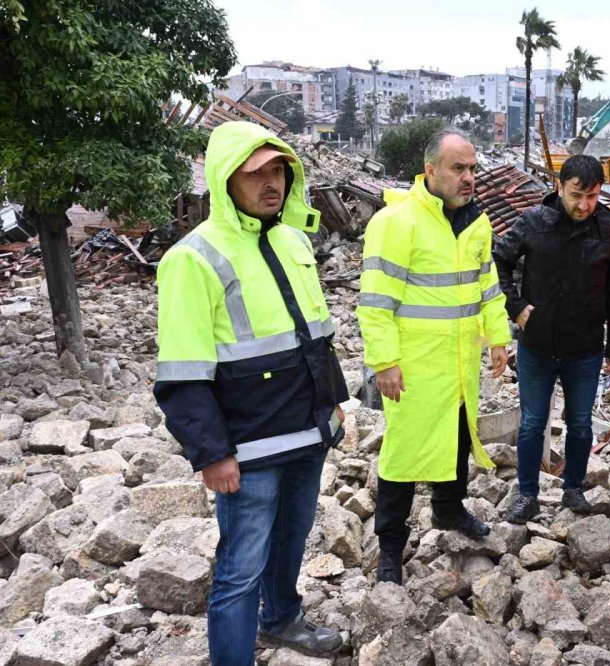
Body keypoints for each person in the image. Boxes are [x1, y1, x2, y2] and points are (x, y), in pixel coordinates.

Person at [154, 121, 350, 665]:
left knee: (293, 537)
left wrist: (332, 406)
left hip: (306, 431)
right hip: (249, 445)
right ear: (225, 180)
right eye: (255, 173)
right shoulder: (193, 258)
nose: (271, 183)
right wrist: (211, 453)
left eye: (279, 170)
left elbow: (317, 336)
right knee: (240, 569)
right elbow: (182, 371)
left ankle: (282, 619)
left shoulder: (293, 241)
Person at [357, 128, 511, 585]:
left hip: (460, 362)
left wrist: (497, 337)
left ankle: (448, 509)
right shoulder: (396, 222)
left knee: (458, 437)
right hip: (415, 367)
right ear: (430, 171)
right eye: (457, 168)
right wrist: (384, 362)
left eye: (472, 168)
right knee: (403, 455)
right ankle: (390, 547)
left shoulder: (476, 223)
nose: (469, 177)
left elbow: (487, 286)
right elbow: (376, 301)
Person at [493, 154, 610, 524]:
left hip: (585, 348)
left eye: (592, 196)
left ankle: (573, 489)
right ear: (559, 187)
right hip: (537, 346)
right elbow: (499, 261)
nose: (584, 205)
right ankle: (527, 494)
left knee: (581, 423)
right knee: (531, 423)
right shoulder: (533, 222)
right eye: (576, 195)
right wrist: (515, 307)